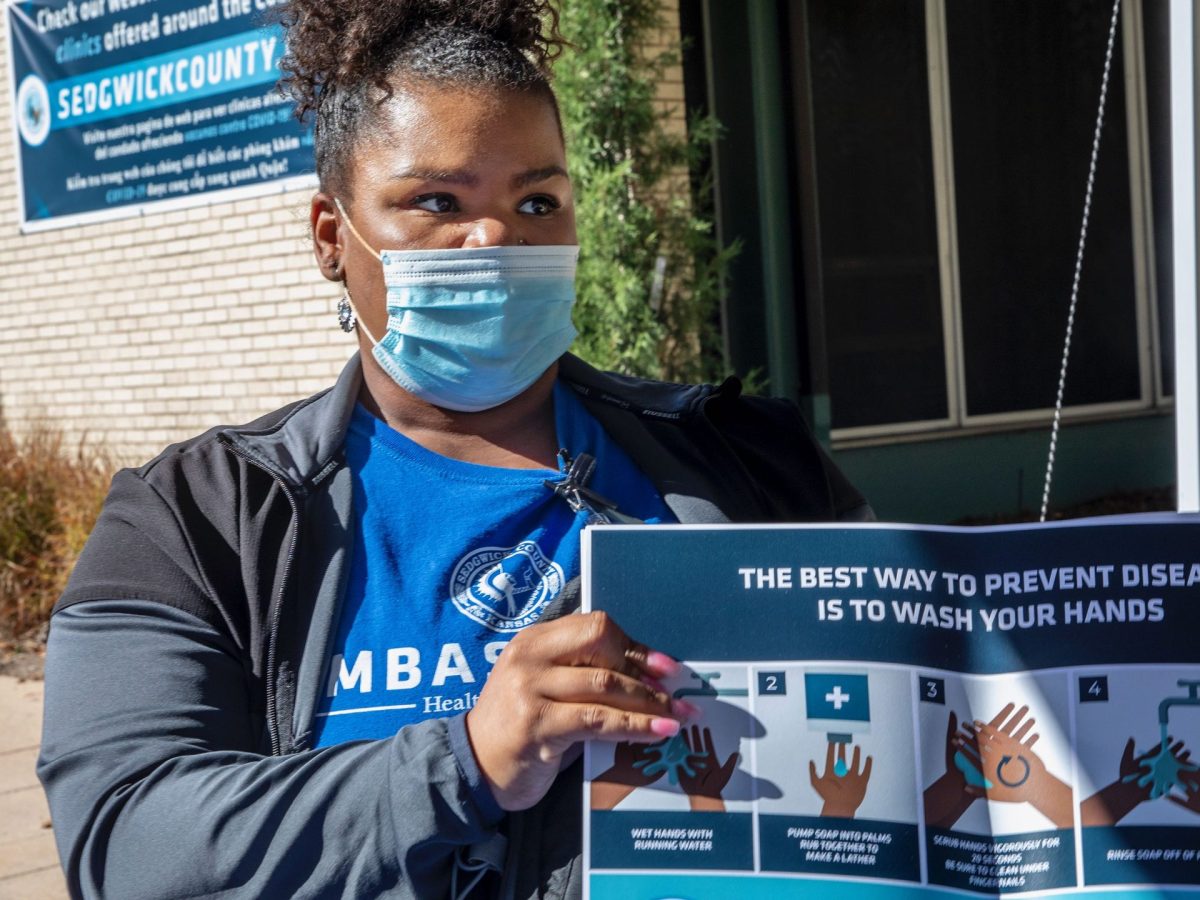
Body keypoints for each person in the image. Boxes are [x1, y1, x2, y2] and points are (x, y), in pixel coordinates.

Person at [36, 1, 871, 897]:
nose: (498, 240)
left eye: (537, 200)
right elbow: (124, 841)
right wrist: (465, 761)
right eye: (437, 201)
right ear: (332, 236)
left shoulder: (751, 462)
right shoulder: (196, 519)